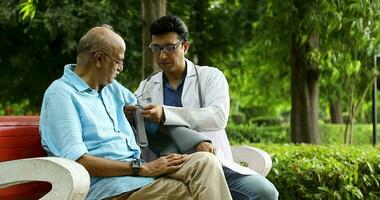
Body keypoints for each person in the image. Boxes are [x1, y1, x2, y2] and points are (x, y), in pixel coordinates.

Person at [39, 24, 232, 200]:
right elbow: (78, 160)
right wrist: (141, 168)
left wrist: (197, 142)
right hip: (109, 190)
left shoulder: (114, 90)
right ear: (99, 59)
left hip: (140, 179)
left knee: (205, 162)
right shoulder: (61, 95)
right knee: (189, 194)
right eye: (118, 61)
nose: (121, 68)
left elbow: (152, 121)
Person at [128, 15, 279, 200]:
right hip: (168, 165)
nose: (162, 55)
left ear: (185, 46)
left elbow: (218, 116)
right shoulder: (146, 86)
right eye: (156, 48)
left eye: (169, 48)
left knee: (265, 192)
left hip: (213, 162)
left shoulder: (211, 77)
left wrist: (165, 113)